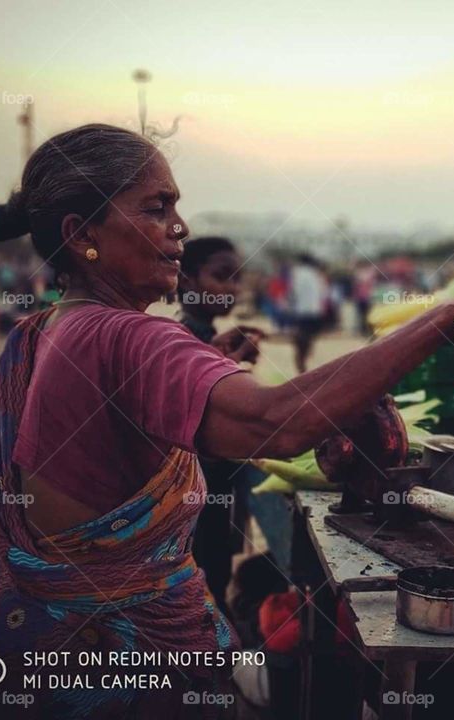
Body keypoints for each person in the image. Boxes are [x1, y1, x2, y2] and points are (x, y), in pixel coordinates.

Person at [0, 123, 454, 718]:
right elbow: (276, 423)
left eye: (177, 205)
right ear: (81, 233)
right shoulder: (130, 337)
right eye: (157, 207)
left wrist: (212, 369)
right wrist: (444, 319)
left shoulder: (42, 329)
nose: (181, 227)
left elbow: (126, 425)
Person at [176, 236, 265, 614]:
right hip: (197, 495)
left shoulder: (206, 336)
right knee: (205, 582)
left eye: (237, 278)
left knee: (216, 573)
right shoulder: (182, 339)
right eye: (221, 276)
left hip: (214, 491)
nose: (232, 288)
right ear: (186, 280)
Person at [289, 254, 328, 373]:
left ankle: (300, 363)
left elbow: (294, 291)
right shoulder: (316, 274)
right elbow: (324, 293)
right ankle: (304, 361)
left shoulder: (297, 273)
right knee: (310, 338)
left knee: (301, 339)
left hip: (302, 310)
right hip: (315, 311)